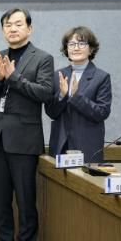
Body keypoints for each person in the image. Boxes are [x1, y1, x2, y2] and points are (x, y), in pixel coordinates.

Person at [0, 8, 54, 241]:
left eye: (18, 24)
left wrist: (14, 78)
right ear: (3, 30)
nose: (12, 28)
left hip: (24, 139)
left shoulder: (42, 58)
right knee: (0, 201)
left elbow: (45, 93)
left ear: (29, 28)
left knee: (25, 201)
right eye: (8, 24)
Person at [45, 26, 111, 162]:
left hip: (87, 146)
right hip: (60, 144)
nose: (76, 48)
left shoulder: (101, 77)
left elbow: (102, 112)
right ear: (66, 49)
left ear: (91, 49)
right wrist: (62, 96)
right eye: (71, 44)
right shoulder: (57, 75)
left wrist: (76, 96)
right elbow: (51, 112)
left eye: (81, 44)